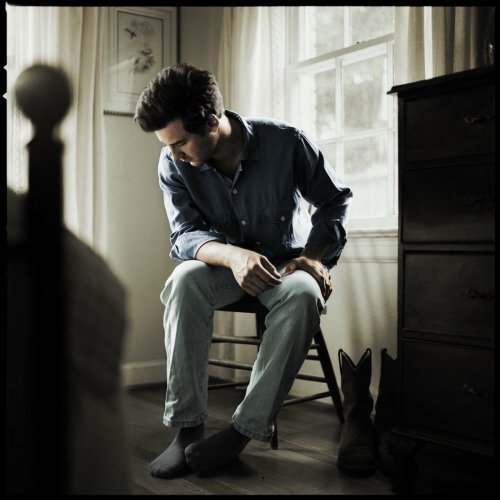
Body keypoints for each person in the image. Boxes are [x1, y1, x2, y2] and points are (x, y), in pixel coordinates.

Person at [134, 62, 352, 479]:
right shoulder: (172, 162)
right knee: (183, 280)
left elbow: (335, 199)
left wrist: (314, 256)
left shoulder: (287, 142)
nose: (174, 154)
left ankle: (240, 433)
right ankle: (187, 429)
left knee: (304, 294)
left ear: (210, 123)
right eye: (168, 146)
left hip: (285, 266)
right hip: (223, 267)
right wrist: (234, 257)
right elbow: (184, 234)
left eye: (180, 143)